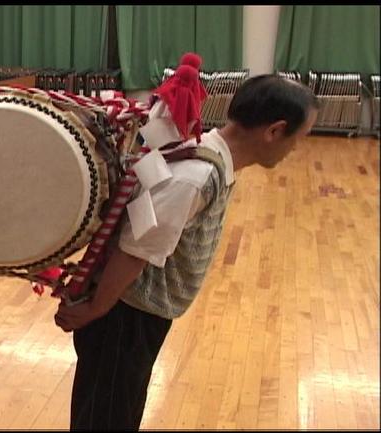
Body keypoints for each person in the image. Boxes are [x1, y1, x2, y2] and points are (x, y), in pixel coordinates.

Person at [54, 74, 320, 430]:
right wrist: (96, 308)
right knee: (106, 417)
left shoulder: (210, 160)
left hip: (135, 314)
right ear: (274, 131)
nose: (295, 150)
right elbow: (135, 249)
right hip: (123, 316)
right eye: (298, 140)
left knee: (117, 410)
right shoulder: (194, 176)